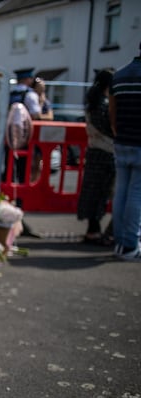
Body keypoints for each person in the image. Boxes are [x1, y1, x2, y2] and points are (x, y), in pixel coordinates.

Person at [109, 42, 141, 261]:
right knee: (136, 194)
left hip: (122, 140)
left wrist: (118, 131)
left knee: (121, 192)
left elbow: (113, 113)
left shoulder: (119, 75)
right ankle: (130, 244)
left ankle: (120, 240)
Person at [77, 69, 115, 246]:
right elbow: (112, 128)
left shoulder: (91, 103)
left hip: (93, 152)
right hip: (108, 153)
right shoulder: (105, 105)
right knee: (103, 193)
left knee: (92, 191)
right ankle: (97, 232)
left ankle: (93, 229)